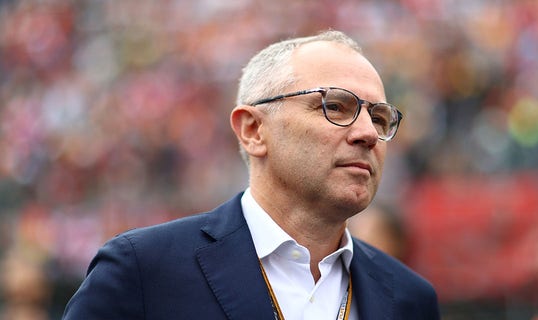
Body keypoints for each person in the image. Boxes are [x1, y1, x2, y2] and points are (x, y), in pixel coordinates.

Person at [62, 30, 440, 319]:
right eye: (335, 106)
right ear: (253, 131)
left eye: (378, 117)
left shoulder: (410, 298)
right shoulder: (143, 269)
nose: (367, 133)